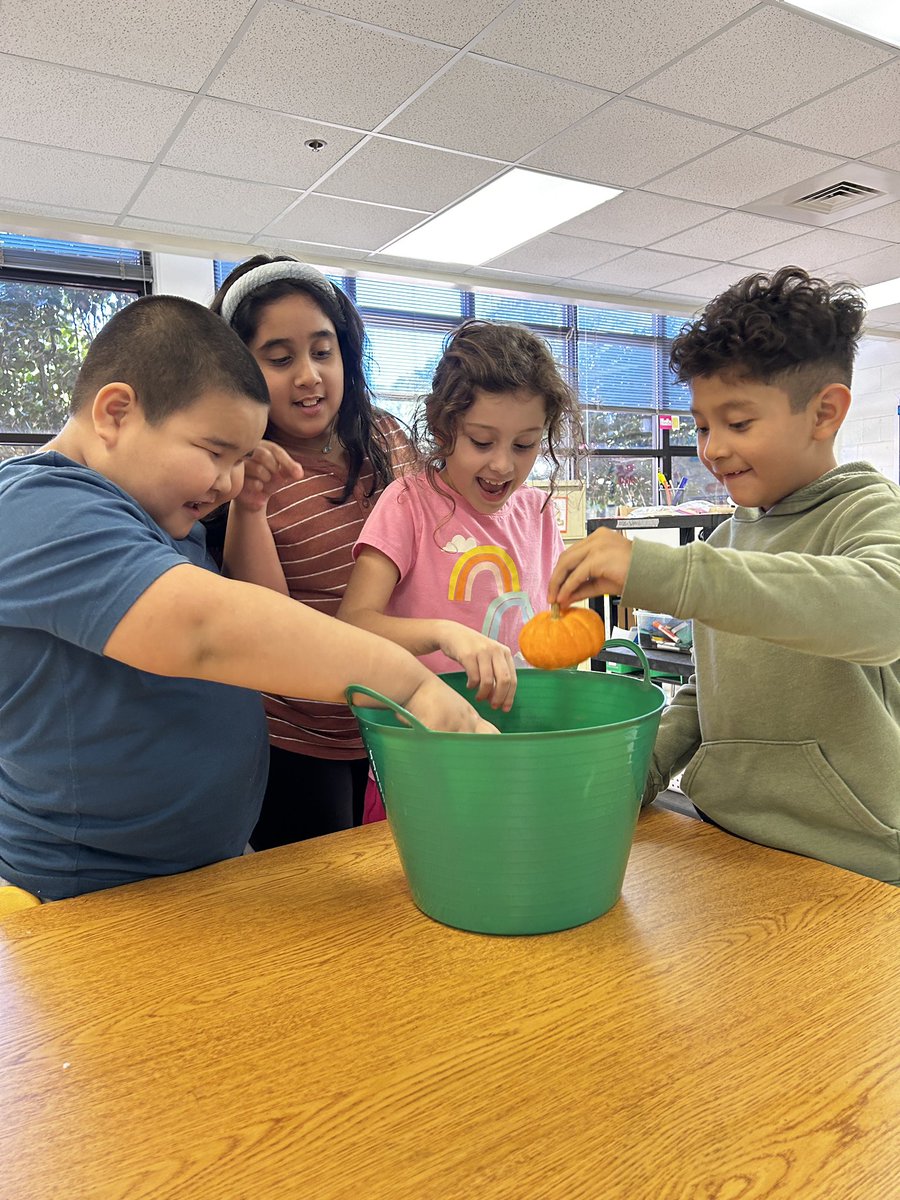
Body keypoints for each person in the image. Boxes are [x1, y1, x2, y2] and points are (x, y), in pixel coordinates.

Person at [0, 295, 494, 902]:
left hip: (194, 875)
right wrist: (409, 685)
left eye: (241, 459)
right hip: (90, 895)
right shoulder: (36, 508)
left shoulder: (156, 521)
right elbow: (203, 630)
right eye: (214, 452)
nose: (229, 481)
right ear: (116, 412)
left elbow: (266, 633)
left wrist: (250, 506)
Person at [549, 266, 900, 884]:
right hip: (724, 839)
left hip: (853, 863)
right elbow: (712, 691)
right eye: (703, 426)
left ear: (824, 413)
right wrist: (636, 772)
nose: (711, 449)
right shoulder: (729, 538)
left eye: (737, 424)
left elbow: (879, 612)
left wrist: (668, 570)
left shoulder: (870, 514)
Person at [210, 255, 416, 849]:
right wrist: (250, 503)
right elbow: (269, 623)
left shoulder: (386, 438)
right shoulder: (237, 470)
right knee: (320, 908)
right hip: (300, 734)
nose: (309, 376)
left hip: (396, 717)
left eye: (322, 352)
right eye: (280, 359)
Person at [338, 320, 580, 817]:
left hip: (514, 757)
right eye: (481, 441)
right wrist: (444, 633)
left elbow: (552, 632)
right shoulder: (407, 504)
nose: (502, 466)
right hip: (420, 758)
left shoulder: (536, 513)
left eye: (524, 444)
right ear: (444, 426)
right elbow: (352, 626)